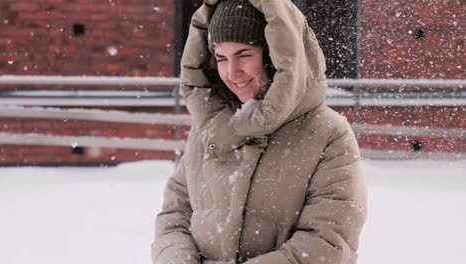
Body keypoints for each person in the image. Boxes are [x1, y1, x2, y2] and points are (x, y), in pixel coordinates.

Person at [152, 0, 367, 263]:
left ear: (275, 56)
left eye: (244, 55)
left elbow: (328, 242)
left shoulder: (328, 134)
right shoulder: (209, 128)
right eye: (221, 58)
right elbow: (175, 217)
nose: (232, 72)